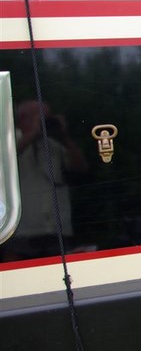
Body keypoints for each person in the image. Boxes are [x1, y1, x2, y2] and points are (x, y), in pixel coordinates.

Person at [1, 100, 87, 260]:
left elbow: (80, 167)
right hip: (22, 231)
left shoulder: (53, 146)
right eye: (42, 118)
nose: (45, 122)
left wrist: (65, 136)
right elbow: (4, 161)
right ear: (22, 117)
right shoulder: (9, 141)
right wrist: (31, 133)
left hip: (57, 230)